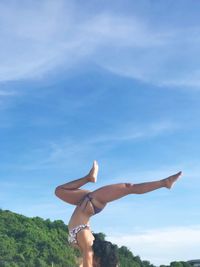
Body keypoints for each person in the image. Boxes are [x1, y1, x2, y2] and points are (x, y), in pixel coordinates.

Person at [55, 161, 182, 267]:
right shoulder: (87, 244)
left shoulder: (86, 246)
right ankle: (164, 183)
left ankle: (89, 178)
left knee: (59, 191)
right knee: (129, 187)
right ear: (98, 261)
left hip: (86, 202)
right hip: (92, 201)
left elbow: (84, 263)